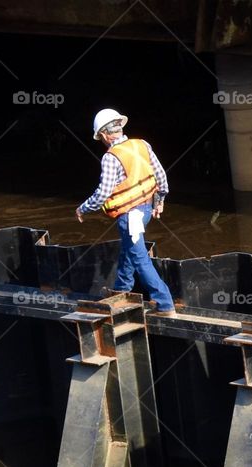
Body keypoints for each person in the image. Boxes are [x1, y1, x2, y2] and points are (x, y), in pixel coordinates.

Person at [75, 108, 176, 316]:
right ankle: (122, 289)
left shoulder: (110, 158)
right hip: (146, 209)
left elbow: (103, 193)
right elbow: (161, 176)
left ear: (103, 135)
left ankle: (165, 303)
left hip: (131, 215)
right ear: (120, 127)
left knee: (139, 258)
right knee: (129, 248)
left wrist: (83, 208)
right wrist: (160, 199)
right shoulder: (142, 144)